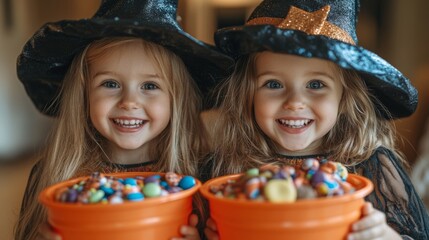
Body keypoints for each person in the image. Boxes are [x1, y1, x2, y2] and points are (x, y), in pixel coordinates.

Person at [202, 0, 429, 239]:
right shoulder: (227, 166)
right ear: (247, 94)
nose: (295, 102)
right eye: (273, 84)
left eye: (316, 85)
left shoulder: (371, 166)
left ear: (345, 98)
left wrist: (384, 235)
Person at [14, 0, 233, 239]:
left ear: (177, 99)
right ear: (84, 94)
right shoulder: (52, 177)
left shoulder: (204, 176)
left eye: (150, 85)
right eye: (110, 84)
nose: (129, 102)